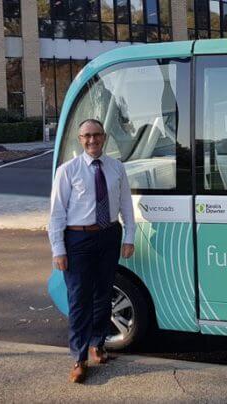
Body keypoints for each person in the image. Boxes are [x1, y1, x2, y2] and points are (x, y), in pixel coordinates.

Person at [48, 119, 136, 383]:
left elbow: (126, 204)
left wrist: (128, 237)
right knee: (79, 299)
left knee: (103, 294)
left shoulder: (116, 167)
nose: (92, 140)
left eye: (96, 135)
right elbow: (56, 214)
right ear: (80, 139)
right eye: (86, 136)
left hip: (109, 235)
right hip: (77, 240)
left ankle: (98, 343)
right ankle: (79, 358)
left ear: (104, 137)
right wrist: (58, 250)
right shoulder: (68, 170)